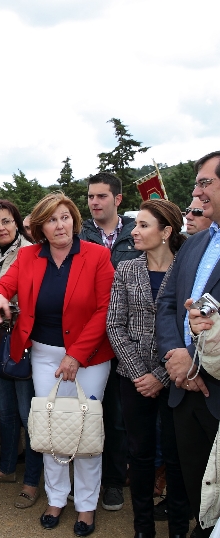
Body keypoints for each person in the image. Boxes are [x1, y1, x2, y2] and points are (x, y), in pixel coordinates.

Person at [0, 192, 115, 536]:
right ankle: (57, 497)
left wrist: (77, 355)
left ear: (74, 219)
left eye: (65, 217)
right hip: (43, 356)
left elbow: (106, 310)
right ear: (40, 227)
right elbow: (3, 285)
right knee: (49, 428)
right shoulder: (28, 256)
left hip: (89, 358)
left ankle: (86, 504)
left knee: (85, 428)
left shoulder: (98, 256)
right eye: (51, 219)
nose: (60, 225)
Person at [106, 199, 191, 538]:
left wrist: (160, 376)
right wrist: (141, 374)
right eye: (135, 224)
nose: (135, 231)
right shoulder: (127, 269)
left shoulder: (187, 272)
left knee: (176, 455)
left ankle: (178, 527)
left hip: (178, 377)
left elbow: (190, 329)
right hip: (133, 377)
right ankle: (142, 527)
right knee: (139, 454)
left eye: (143, 225)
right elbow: (115, 325)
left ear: (166, 231)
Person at [156, 151, 220, 538]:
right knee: (197, 490)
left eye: (204, 182)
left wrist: (198, 364)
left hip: (216, 390)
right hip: (184, 388)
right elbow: (167, 303)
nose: (195, 192)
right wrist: (176, 356)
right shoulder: (195, 244)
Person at [0, 199, 44, 510]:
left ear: (16, 222)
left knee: (29, 414)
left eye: (6, 221)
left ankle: (32, 479)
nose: (1, 228)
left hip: (24, 341)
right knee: (7, 409)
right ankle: (7, 469)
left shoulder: (31, 253)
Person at [79, 171, 141, 513]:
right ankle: (83, 479)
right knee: (85, 411)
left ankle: (114, 482)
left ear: (117, 199)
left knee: (117, 416)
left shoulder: (136, 232)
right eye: (90, 197)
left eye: (101, 196)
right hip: (88, 337)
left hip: (125, 339)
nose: (94, 202)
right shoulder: (79, 234)